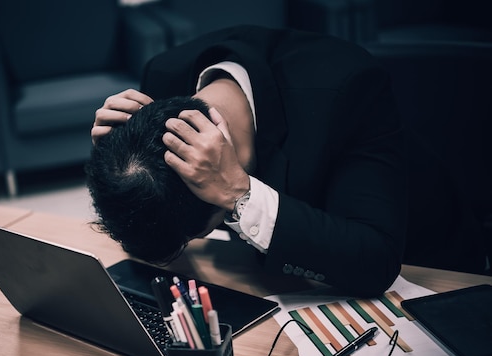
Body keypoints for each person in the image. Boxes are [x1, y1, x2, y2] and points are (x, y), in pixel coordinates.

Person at [86, 25, 409, 298]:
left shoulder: (348, 87)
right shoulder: (162, 73)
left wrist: (239, 193)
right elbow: (157, 229)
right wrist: (118, 161)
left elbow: (376, 261)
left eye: (195, 237)